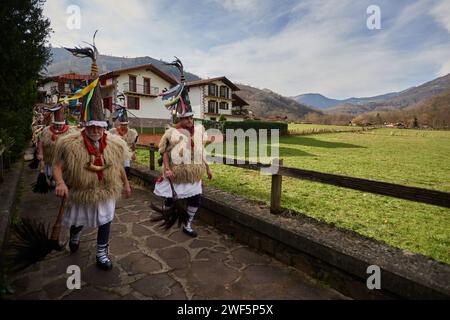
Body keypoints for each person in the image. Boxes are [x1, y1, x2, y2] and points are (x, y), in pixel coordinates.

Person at [53, 35, 132, 271]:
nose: (96, 130)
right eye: (93, 127)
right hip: (81, 190)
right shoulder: (71, 144)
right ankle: (75, 236)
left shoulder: (115, 145)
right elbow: (58, 166)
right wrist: (60, 183)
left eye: (100, 126)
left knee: (105, 221)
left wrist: (126, 185)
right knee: (78, 221)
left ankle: (101, 253)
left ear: (104, 127)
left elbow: (118, 167)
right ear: (86, 126)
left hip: (106, 190)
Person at [154, 57, 212, 237]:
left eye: (191, 118)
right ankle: (166, 217)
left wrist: (208, 169)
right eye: (186, 118)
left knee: (196, 200)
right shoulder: (171, 133)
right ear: (180, 119)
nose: (190, 121)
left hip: (194, 173)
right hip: (177, 173)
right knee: (170, 201)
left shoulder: (198, 131)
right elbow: (164, 152)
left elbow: (200, 152)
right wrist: (168, 169)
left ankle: (187, 224)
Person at [37, 102, 77, 185]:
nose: (59, 127)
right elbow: (40, 141)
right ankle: (52, 179)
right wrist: (40, 153)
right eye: (57, 125)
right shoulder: (46, 131)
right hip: (50, 159)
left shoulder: (71, 131)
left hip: (63, 160)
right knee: (49, 173)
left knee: (63, 174)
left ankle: (61, 180)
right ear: (53, 123)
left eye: (60, 125)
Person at [109, 93, 138, 178]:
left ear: (127, 125)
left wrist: (133, 153)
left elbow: (133, 145)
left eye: (125, 124)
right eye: (122, 124)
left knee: (127, 165)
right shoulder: (114, 131)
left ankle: (126, 178)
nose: (124, 126)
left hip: (126, 152)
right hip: (116, 152)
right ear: (120, 124)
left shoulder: (132, 133)